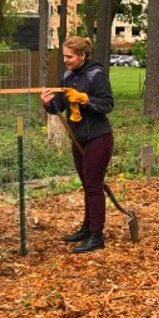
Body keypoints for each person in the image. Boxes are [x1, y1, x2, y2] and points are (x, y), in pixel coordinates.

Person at [41, 36, 114, 253]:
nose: (65, 60)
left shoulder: (96, 75)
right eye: (64, 56)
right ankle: (87, 227)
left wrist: (85, 99)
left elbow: (107, 105)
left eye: (69, 57)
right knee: (87, 186)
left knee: (94, 186)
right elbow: (58, 108)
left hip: (98, 138)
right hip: (78, 137)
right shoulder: (68, 76)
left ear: (83, 56)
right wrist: (48, 102)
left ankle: (96, 235)